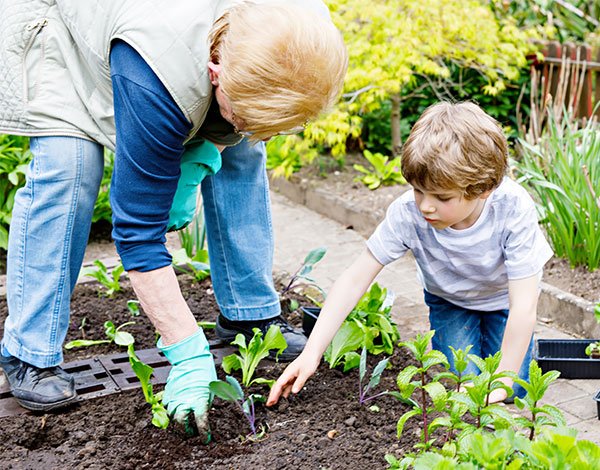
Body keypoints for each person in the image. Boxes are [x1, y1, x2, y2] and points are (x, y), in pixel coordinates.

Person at [0, 0, 347, 440]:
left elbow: (241, 120)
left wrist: (206, 150)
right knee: (69, 167)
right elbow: (138, 234)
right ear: (215, 69)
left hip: (170, 43)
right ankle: (28, 350)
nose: (260, 130)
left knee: (245, 148)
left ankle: (248, 314)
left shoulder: (299, 30)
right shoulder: (155, 67)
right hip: (66, 27)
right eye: (241, 111)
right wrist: (186, 351)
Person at [268, 101, 553, 407]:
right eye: (418, 191)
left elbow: (523, 305)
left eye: (442, 197)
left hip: (504, 303)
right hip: (450, 301)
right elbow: (354, 279)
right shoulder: (408, 214)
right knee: (460, 385)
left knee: (514, 389)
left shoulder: (512, 208)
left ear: (484, 188)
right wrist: (311, 353)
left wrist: (503, 382)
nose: (426, 206)